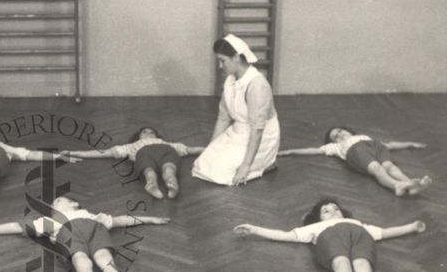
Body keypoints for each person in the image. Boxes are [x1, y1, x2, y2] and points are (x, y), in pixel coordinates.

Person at [0, 196, 170, 272]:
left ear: (75, 204)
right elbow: (16, 226)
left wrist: (151, 219)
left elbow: (122, 220)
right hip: (67, 233)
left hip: (95, 229)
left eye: (58, 201)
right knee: (81, 261)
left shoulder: (94, 215)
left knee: (105, 258)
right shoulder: (50, 222)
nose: (54, 205)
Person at [234, 199, 426, 272]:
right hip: (330, 237)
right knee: (341, 263)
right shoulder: (316, 228)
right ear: (317, 218)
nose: (333, 212)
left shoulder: (356, 223)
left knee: (363, 263)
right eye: (326, 211)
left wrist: (411, 227)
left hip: (359, 236)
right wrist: (255, 229)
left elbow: (384, 232)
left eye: (336, 208)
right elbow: (285, 235)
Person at [192, 34, 280, 186]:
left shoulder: (257, 85)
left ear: (237, 58)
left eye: (222, 61)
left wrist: (245, 166)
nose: (220, 66)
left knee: (219, 173)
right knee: (202, 164)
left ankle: (266, 164)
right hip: (239, 131)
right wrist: (211, 147)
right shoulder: (230, 80)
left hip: (261, 136)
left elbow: (257, 129)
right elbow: (223, 118)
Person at [278, 127, 431, 196]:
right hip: (356, 152)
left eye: (339, 131)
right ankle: (396, 185)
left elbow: (390, 144)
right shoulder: (336, 147)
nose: (339, 136)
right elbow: (314, 150)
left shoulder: (364, 136)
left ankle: (411, 184)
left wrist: (410, 143)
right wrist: (290, 151)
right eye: (335, 136)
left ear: (349, 130)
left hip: (375, 146)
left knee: (389, 165)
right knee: (377, 168)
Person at [61, 126, 203, 199]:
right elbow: (103, 152)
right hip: (144, 154)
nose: (148, 134)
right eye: (144, 132)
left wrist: (212, 149)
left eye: (151, 132)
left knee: (169, 169)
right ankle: (151, 184)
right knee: (148, 170)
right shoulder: (130, 147)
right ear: (138, 136)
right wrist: (75, 153)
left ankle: (173, 185)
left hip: (166, 151)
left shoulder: (166, 143)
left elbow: (191, 150)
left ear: (157, 135)